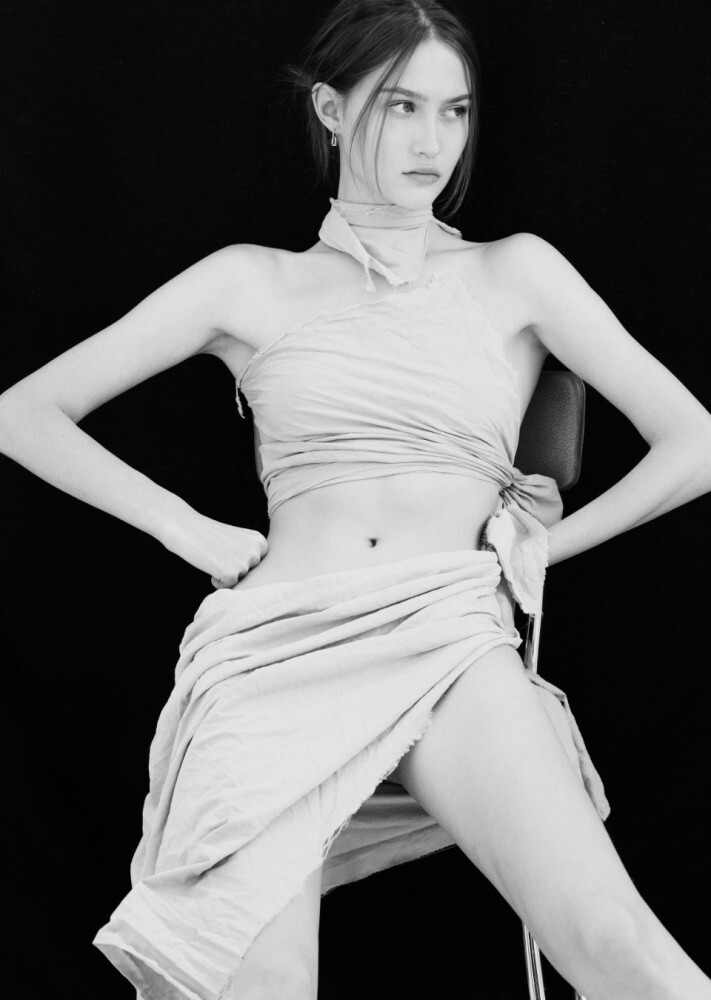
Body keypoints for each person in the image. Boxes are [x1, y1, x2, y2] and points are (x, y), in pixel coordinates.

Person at [1, 0, 710, 997]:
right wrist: (183, 526)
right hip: (275, 648)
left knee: (617, 941)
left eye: (454, 111)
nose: (432, 142)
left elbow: (694, 442)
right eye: (400, 106)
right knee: (267, 983)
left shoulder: (516, 272)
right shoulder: (251, 283)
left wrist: (543, 548)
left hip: (447, 634)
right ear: (331, 110)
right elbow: (23, 412)